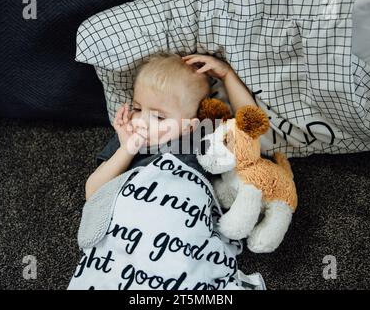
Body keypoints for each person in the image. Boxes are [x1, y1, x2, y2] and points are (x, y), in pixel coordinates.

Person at [68, 51, 265, 290]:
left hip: (180, 231)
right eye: (138, 108)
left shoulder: (200, 137)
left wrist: (227, 75)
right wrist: (127, 149)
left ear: (190, 124)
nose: (141, 121)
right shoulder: (128, 140)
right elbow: (94, 192)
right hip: (130, 233)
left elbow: (252, 124)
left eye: (159, 116)